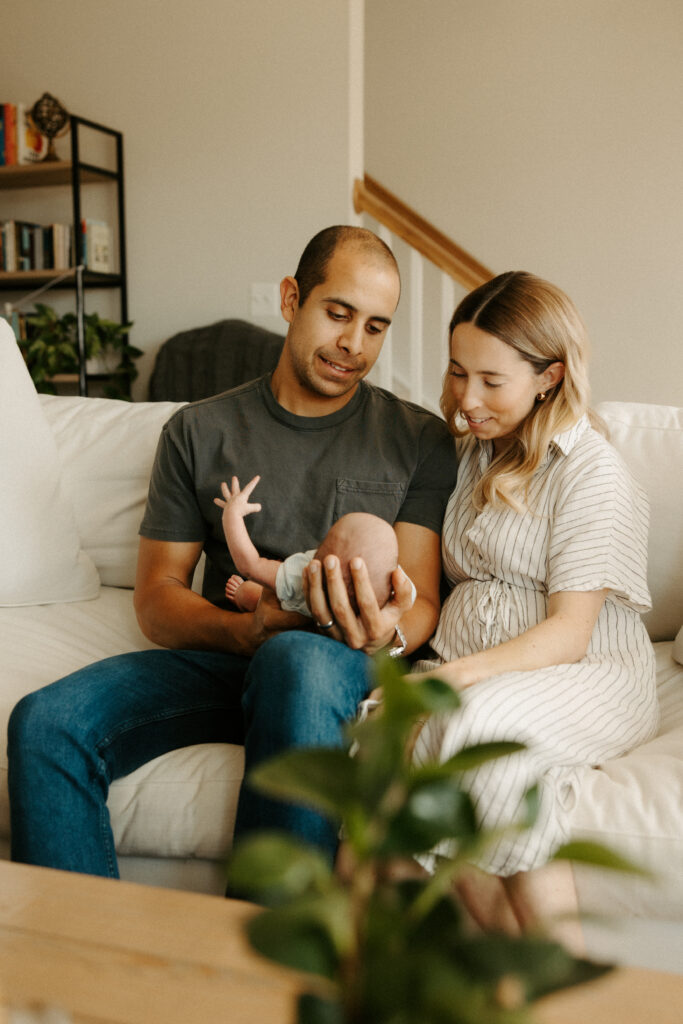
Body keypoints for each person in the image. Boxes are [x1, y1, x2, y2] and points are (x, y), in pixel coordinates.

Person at [7, 225, 457, 877]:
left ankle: (259, 968)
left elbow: (420, 600)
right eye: (337, 314)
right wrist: (245, 630)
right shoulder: (197, 429)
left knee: (296, 661)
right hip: (229, 651)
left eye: (375, 327)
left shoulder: (418, 439)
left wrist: (386, 634)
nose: (354, 345)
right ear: (289, 299)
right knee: (46, 723)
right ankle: (80, 964)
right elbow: (158, 599)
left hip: (335, 664)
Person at [383, 270, 658, 946]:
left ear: (548, 376)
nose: (465, 399)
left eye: (489, 381)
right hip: (480, 665)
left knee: (478, 729)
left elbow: (568, 635)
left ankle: (554, 983)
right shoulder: (474, 453)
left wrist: (458, 677)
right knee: (379, 747)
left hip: (583, 670)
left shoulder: (589, 470)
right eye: (455, 372)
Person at [216, 474, 412, 616]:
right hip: (343, 646)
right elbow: (407, 600)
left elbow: (250, 565)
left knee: (252, 592)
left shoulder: (301, 575)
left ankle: (240, 595)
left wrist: (232, 515)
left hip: (288, 619)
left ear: (315, 559)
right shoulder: (395, 589)